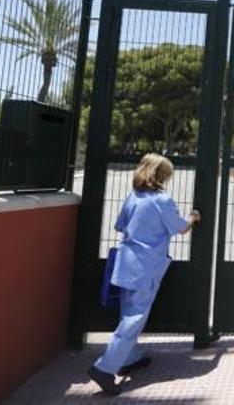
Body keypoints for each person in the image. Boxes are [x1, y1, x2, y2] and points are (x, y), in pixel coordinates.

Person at [88, 153, 201, 395]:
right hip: (146, 266)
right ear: (162, 176)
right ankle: (105, 368)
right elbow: (181, 228)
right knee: (134, 318)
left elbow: (120, 225)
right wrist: (193, 217)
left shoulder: (133, 197)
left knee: (127, 314)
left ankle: (129, 358)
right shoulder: (162, 200)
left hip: (125, 262)